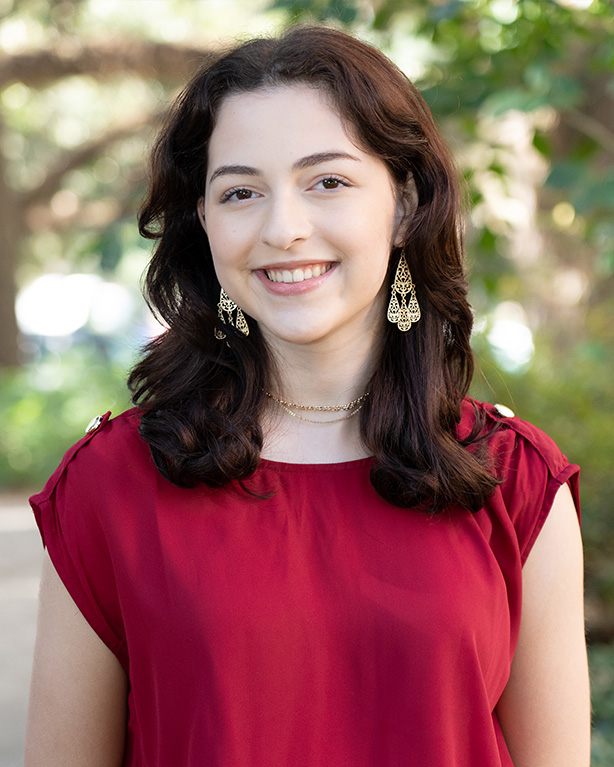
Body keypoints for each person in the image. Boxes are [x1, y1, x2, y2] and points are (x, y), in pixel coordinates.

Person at [25, 25, 590, 767]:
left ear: (404, 203)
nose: (283, 228)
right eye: (241, 192)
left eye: (328, 181)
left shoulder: (515, 480)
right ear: (205, 218)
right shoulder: (108, 484)